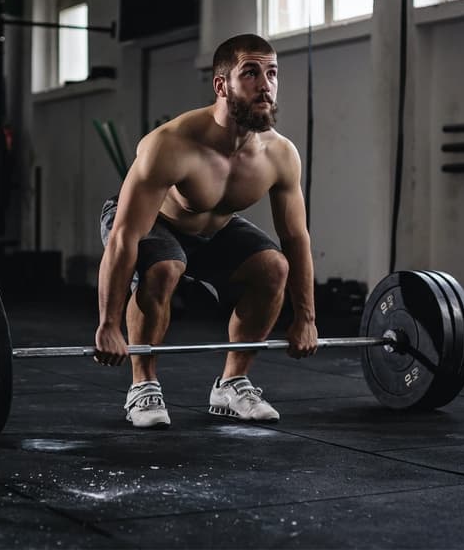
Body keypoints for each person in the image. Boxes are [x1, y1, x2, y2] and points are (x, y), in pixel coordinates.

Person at [95, 33, 318, 428]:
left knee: (274, 268)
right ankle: (142, 386)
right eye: (251, 73)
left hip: (215, 229)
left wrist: (307, 317)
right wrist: (108, 324)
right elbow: (125, 237)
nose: (265, 85)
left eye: (272, 73)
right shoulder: (171, 144)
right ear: (222, 85)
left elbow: (296, 239)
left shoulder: (280, 154)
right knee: (164, 268)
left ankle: (232, 383)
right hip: (153, 222)